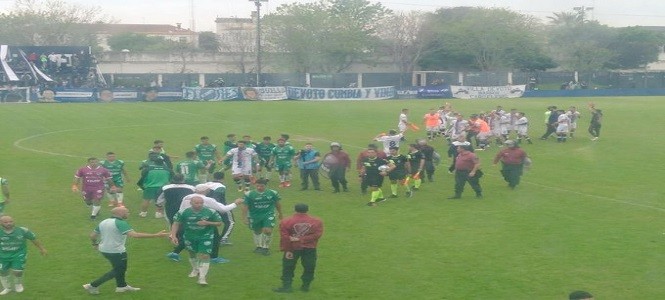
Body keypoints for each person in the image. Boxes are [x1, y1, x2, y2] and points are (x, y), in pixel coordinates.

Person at [83, 207, 168, 295]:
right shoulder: (120, 223)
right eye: (127, 212)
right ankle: (92, 285)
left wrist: (95, 244)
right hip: (116, 251)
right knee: (119, 270)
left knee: (119, 268)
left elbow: (92, 236)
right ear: (120, 213)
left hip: (104, 250)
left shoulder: (103, 222)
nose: (128, 214)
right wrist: (156, 235)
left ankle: (121, 286)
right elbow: (135, 235)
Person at [179, 185, 243, 264]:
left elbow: (181, 210)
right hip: (204, 221)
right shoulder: (207, 199)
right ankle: (213, 258)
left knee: (189, 237)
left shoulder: (187, 197)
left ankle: (179, 253)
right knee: (215, 238)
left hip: (189, 221)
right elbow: (223, 209)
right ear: (207, 190)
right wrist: (235, 203)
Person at [170, 196, 224, 285]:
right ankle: (195, 269)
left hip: (206, 236)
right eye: (197, 203)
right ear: (191, 203)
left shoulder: (210, 211)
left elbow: (219, 223)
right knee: (192, 253)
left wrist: (207, 223)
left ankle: (202, 278)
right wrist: (173, 235)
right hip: (190, 236)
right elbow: (176, 223)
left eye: (201, 203)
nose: (199, 205)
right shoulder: (183, 212)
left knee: (205, 255)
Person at [273, 204, 324, 293]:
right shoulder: (317, 221)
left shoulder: (286, 221)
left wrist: (288, 249)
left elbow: (285, 237)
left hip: (292, 248)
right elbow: (317, 235)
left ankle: (287, 287)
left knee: (288, 267)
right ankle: (306, 286)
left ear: (295, 210)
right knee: (309, 266)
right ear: (307, 210)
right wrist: (303, 239)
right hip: (310, 248)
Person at [0, 216, 47, 295]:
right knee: (2, 271)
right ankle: (7, 288)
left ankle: (18, 284)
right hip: (2, 256)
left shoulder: (23, 230)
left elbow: (33, 239)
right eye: (6, 222)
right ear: (1, 223)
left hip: (18, 254)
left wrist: (42, 248)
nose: (9, 223)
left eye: (10, 221)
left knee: (17, 271)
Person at [156, 174, 195, 262]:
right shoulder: (191, 187)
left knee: (173, 223)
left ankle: (176, 238)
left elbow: (159, 198)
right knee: (186, 223)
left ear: (172, 179)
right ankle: (182, 240)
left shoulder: (165, 187)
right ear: (183, 179)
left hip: (171, 208)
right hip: (186, 208)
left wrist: (158, 206)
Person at [242, 179, 283, 255]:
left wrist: (280, 213)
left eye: (261, 186)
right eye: (257, 186)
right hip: (254, 215)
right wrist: (244, 217)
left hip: (268, 214)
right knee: (257, 231)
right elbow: (245, 206)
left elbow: (277, 204)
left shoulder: (272, 193)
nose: (259, 187)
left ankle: (265, 247)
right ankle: (259, 246)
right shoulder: (249, 194)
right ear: (255, 185)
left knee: (268, 230)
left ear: (265, 185)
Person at [138, 153, 172, 218]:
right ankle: (158, 213)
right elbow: (171, 179)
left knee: (146, 200)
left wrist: (143, 187)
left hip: (149, 187)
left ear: (154, 162)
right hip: (162, 188)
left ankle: (143, 213)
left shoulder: (148, 169)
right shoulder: (167, 169)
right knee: (160, 201)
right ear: (163, 163)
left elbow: (142, 179)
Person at [207, 172, 235, 245]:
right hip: (219, 207)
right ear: (223, 178)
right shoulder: (220, 186)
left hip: (206, 207)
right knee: (230, 222)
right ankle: (223, 239)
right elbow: (217, 199)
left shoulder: (207, 184)